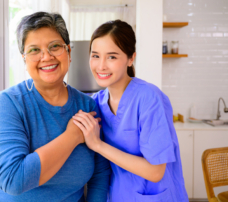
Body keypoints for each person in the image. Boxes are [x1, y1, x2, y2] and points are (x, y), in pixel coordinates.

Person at [0, 12, 110, 202]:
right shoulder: (9, 103)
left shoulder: (88, 106)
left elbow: (100, 175)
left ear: (69, 52)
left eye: (55, 46)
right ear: (24, 59)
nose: (46, 57)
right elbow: (13, 180)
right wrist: (72, 136)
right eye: (34, 50)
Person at [72, 20, 189, 202]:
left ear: (130, 58)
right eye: (95, 55)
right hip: (117, 195)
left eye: (112, 57)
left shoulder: (149, 98)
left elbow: (156, 171)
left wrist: (98, 145)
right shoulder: (96, 102)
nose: (101, 65)